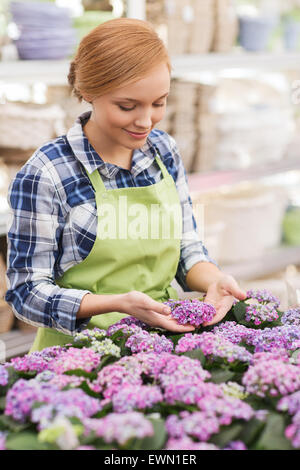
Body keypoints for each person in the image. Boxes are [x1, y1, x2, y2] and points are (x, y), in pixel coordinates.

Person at [5, 18, 246, 351]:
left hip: (160, 343)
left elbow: (187, 249)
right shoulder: (47, 172)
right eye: (127, 106)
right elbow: (26, 293)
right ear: (88, 92)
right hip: (78, 358)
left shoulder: (164, 151)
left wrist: (214, 279)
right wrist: (116, 303)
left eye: (159, 103)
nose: (145, 121)